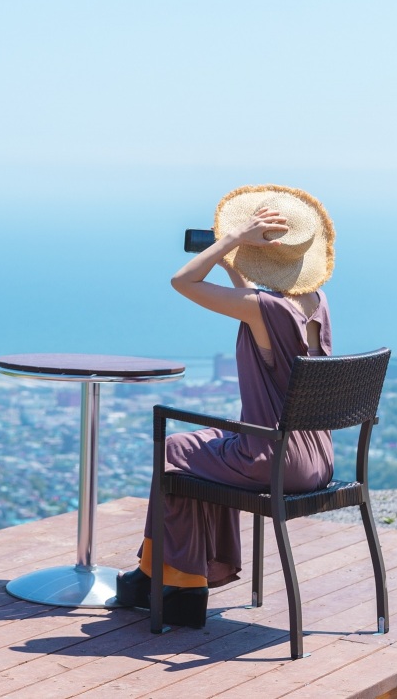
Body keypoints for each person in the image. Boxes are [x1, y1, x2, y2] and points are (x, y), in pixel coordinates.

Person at [115, 184, 337, 626]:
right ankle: (160, 576)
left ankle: (179, 586)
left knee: (174, 451)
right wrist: (239, 261)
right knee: (200, 449)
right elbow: (255, 298)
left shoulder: (263, 309)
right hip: (317, 457)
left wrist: (231, 240)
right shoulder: (314, 302)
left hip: (273, 457)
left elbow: (183, 282)